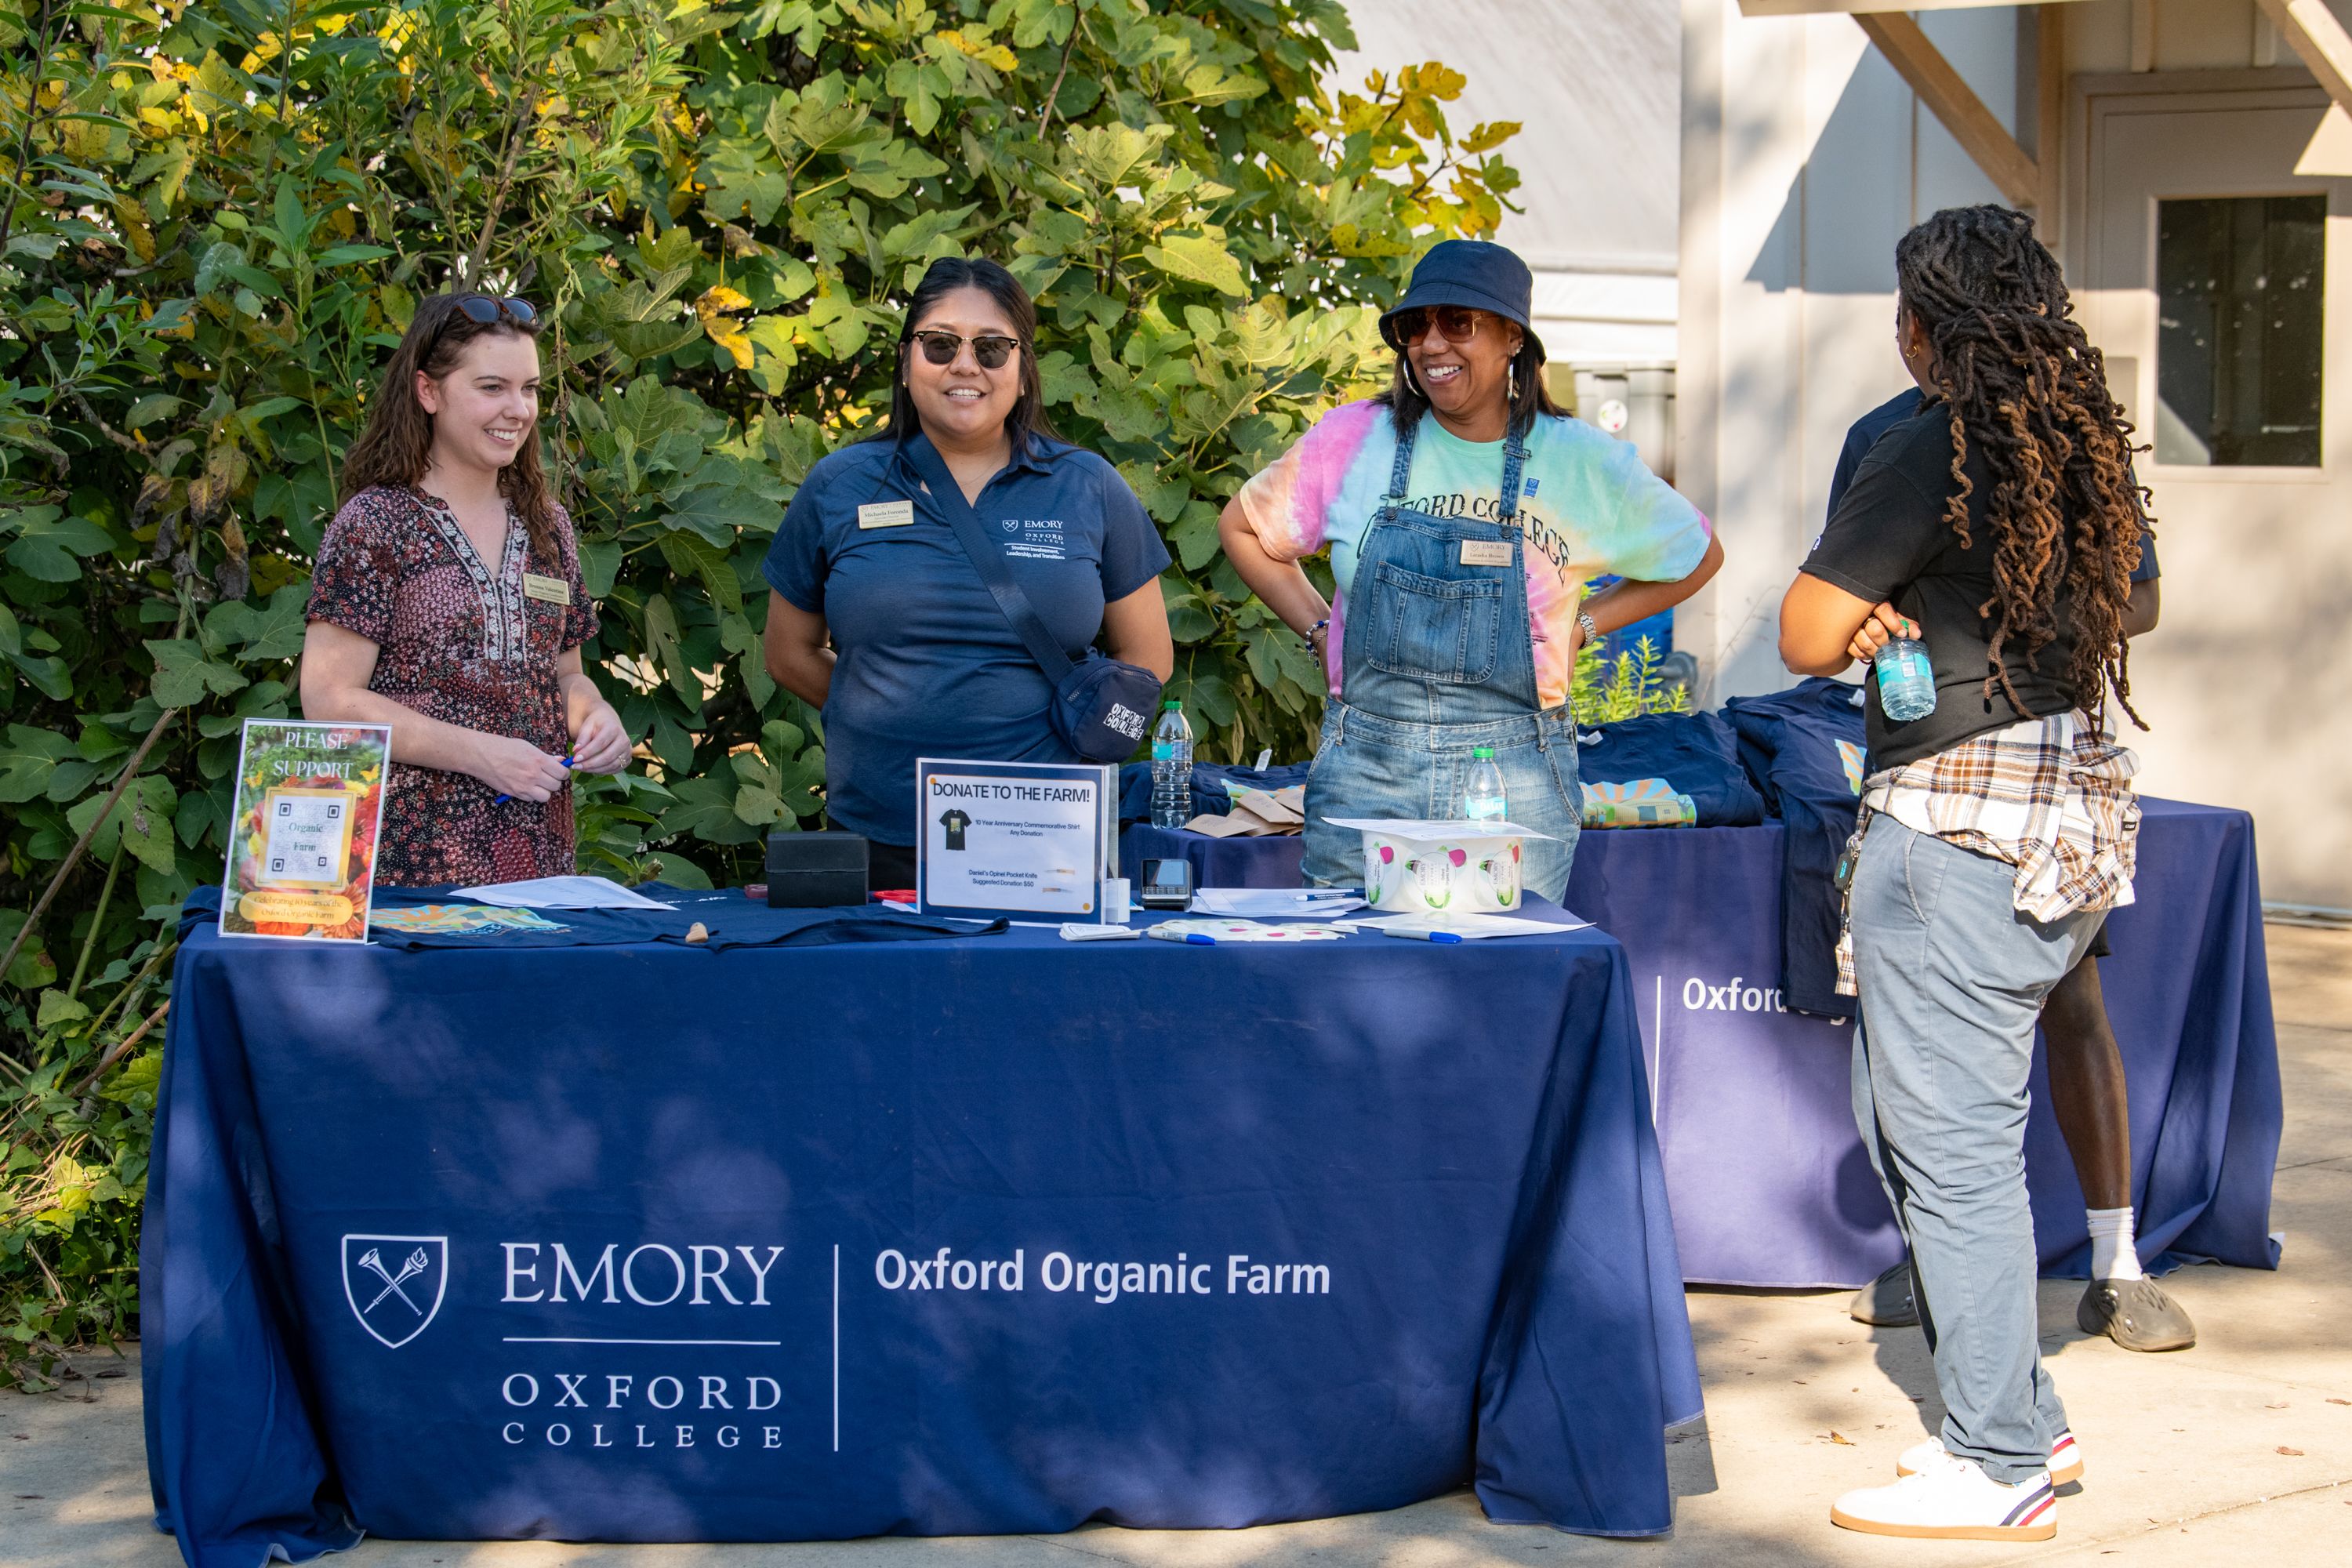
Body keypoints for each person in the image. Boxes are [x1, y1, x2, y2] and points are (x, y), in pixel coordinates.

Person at [1780, 205, 2153, 1541]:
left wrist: (1896, 606)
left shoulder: (1927, 441)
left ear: (1925, 324)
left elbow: (1807, 629)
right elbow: (2141, 598)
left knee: (1950, 1149)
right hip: (2062, 813)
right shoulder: (2076, 441)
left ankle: (1996, 1464)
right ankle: (2028, 1414)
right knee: (1907, 1123)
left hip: (1959, 825)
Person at [1831, 389, 2195, 1356]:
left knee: (2071, 1009)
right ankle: (1938, 1252)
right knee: (1903, 1055)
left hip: (2037, 778)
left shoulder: (2073, 435)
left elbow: (2146, 597)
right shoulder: (1883, 437)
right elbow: (1837, 605)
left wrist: (2021, 604)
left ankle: (2117, 1264)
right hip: (1920, 770)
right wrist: (1871, 621)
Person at [1218, 240, 1722, 900]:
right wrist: (1319, 629)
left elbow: (1697, 554)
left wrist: (1587, 625)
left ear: (1513, 337)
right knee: (1352, 978)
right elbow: (1245, 528)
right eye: (1413, 327)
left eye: (1457, 322)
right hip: (1367, 765)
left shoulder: (1581, 461)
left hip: (1516, 777)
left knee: (1503, 985)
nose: (1431, 344)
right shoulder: (1351, 441)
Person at [761, 257, 1174, 889]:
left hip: (1046, 838)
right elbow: (788, 654)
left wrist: (1060, 742)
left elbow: (1148, 658)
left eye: (991, 348)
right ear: (906, 361)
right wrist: (885, 711)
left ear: (1023, 368)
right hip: (880, 834)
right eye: (940, 344)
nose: (965, 365)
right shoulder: (840, 486)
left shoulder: (1087, 486)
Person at [301, 293, 631, 886]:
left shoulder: (547, 524)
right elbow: (328, 701)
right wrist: (482, 754)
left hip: (539, 870)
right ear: (429, 392)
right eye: (492, 388)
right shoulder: (376, 523)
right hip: (406, 869)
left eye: (529, 389)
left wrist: (595, 715)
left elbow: (563, 676)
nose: (518, 409)